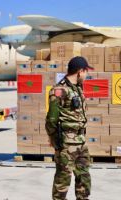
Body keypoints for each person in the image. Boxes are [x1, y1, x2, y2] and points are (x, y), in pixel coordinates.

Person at [45, 56, 93, 200]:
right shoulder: (59, 90)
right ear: (80, 71)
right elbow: (51, 119)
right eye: (86, 72)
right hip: (66, 143)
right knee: (63, 179)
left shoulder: (77, 89)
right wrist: (54, 140)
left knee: (84, 177)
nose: (86, 75)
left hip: (81, 141)